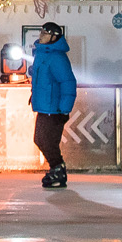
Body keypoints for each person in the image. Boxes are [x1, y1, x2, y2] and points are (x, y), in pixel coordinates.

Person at [28, 23, 76, 188]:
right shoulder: (42, 54)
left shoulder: (57, 57)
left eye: (45, 33)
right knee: (39, 139)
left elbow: (68, 83)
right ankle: (56, 168)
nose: (41, 35)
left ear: (54, 36)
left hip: (54, 109)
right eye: (41, 32)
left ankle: (58, 168)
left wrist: (64, 109)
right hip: (43, 107)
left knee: (47, 141)